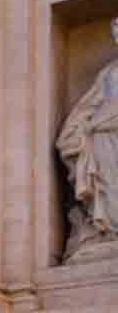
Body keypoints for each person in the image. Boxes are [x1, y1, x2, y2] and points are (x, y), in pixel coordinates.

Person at [57, 15, 118, 258]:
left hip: (107, 127)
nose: (117, 35)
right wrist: (79, 128)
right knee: (108, 184)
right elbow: (90, 104)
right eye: (115, 32)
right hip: (103, 136)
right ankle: (109, 230)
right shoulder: (108, 72)